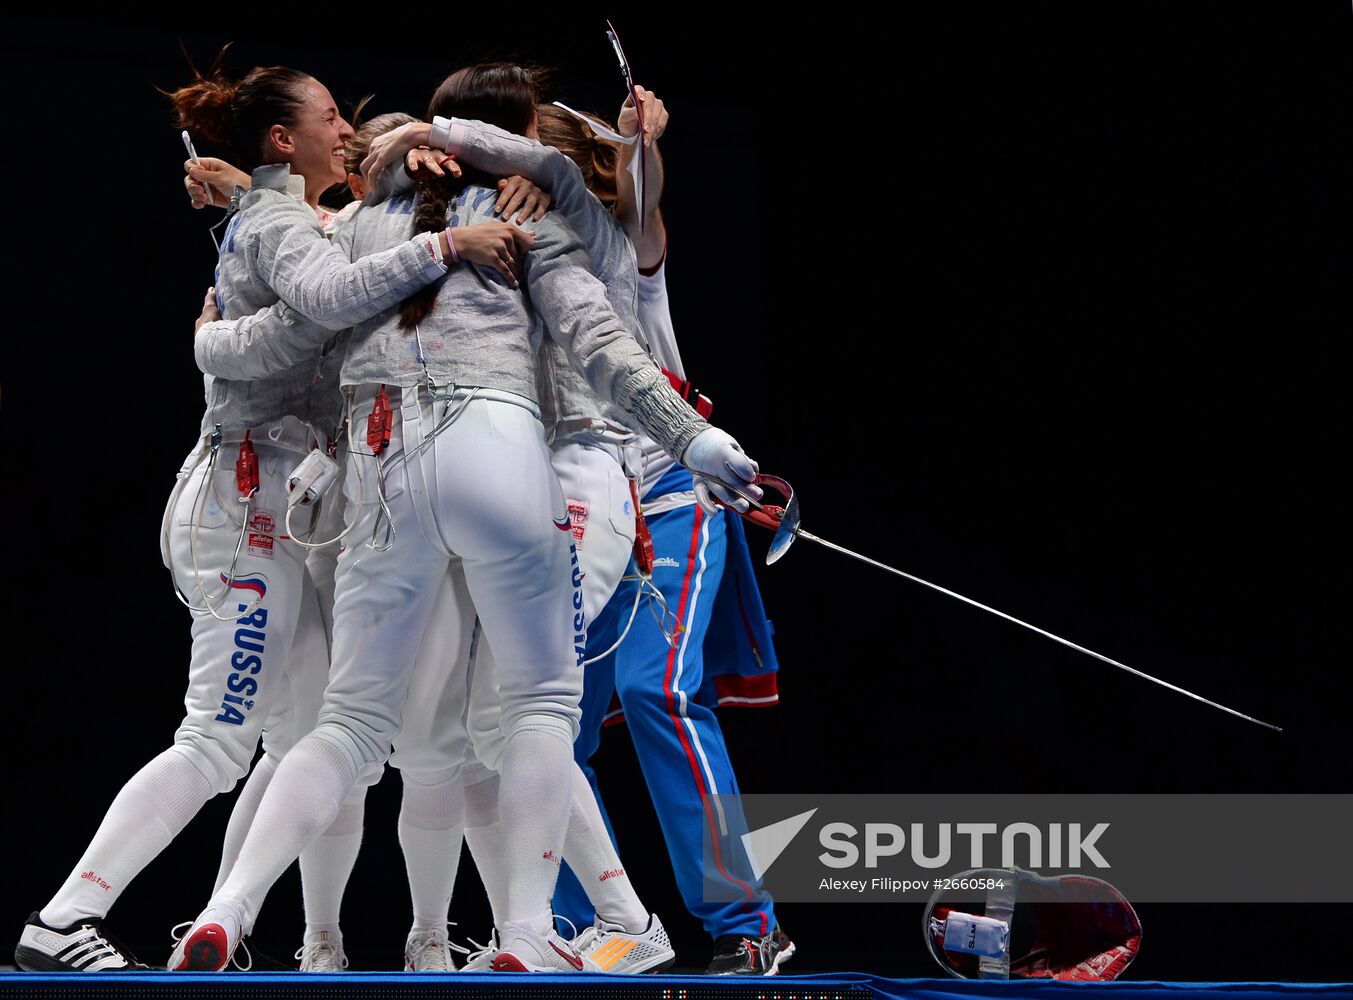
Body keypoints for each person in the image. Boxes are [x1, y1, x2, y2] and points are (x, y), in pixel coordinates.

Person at [169, 62, 761, 974]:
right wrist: (691, 439)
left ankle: (232, 908)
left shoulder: (358, 224)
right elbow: (601, 346)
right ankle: (535, 931)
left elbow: (301, 268)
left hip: (383, 467)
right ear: (516, 133)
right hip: (515, 459)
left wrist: (263, 201)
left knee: (360, 723)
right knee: (522, 712)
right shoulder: (540, 216)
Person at [13, 57, 518, 974]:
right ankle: (59, 919)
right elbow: (323, 298)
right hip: (244, 505)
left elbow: (310, 276)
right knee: (215, 737)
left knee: (299, 743)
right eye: (330, 115)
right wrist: (442, 250)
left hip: (282, 504)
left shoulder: (293, 216)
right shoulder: (285, 222)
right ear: (286, 138)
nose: (347, 129)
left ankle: (220, 922)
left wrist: (243, 257)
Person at [381, 95, 792, 975]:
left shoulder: (612, 247)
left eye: (522, 154)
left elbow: (642, 199)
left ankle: (746, 923)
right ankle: (571, 927)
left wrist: (645, 146)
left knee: (658, 692)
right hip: (571, 510)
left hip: (670, 500)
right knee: (540, 729)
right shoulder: (496, 247)